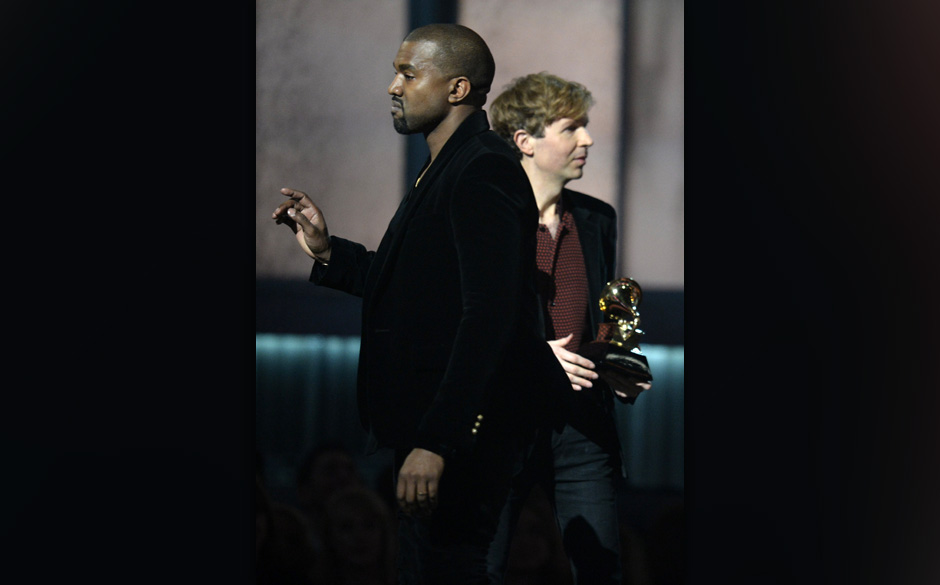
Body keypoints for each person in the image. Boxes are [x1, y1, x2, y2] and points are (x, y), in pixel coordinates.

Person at [272, 24, 569, 584]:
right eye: (396, 71)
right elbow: (422, 289)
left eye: (409, 73)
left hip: (460, 435)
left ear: (457, 89)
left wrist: (437, 440)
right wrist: (328, 251)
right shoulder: (451, 165)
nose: (393, 85)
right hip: (437, 426)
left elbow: (490, 315)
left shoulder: (482, 168)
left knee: (444, 568)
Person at [486, 72, 652, 585]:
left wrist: (616, 358)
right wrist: (536, 355)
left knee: (601, 569)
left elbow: (602, 314)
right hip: (501, 420)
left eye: (586, 127)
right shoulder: (488, 219)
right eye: (572, 128)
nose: (589, 139)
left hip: (581, 423)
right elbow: (474, 321)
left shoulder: (596, 218)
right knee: (479, 569)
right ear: (525, 142)